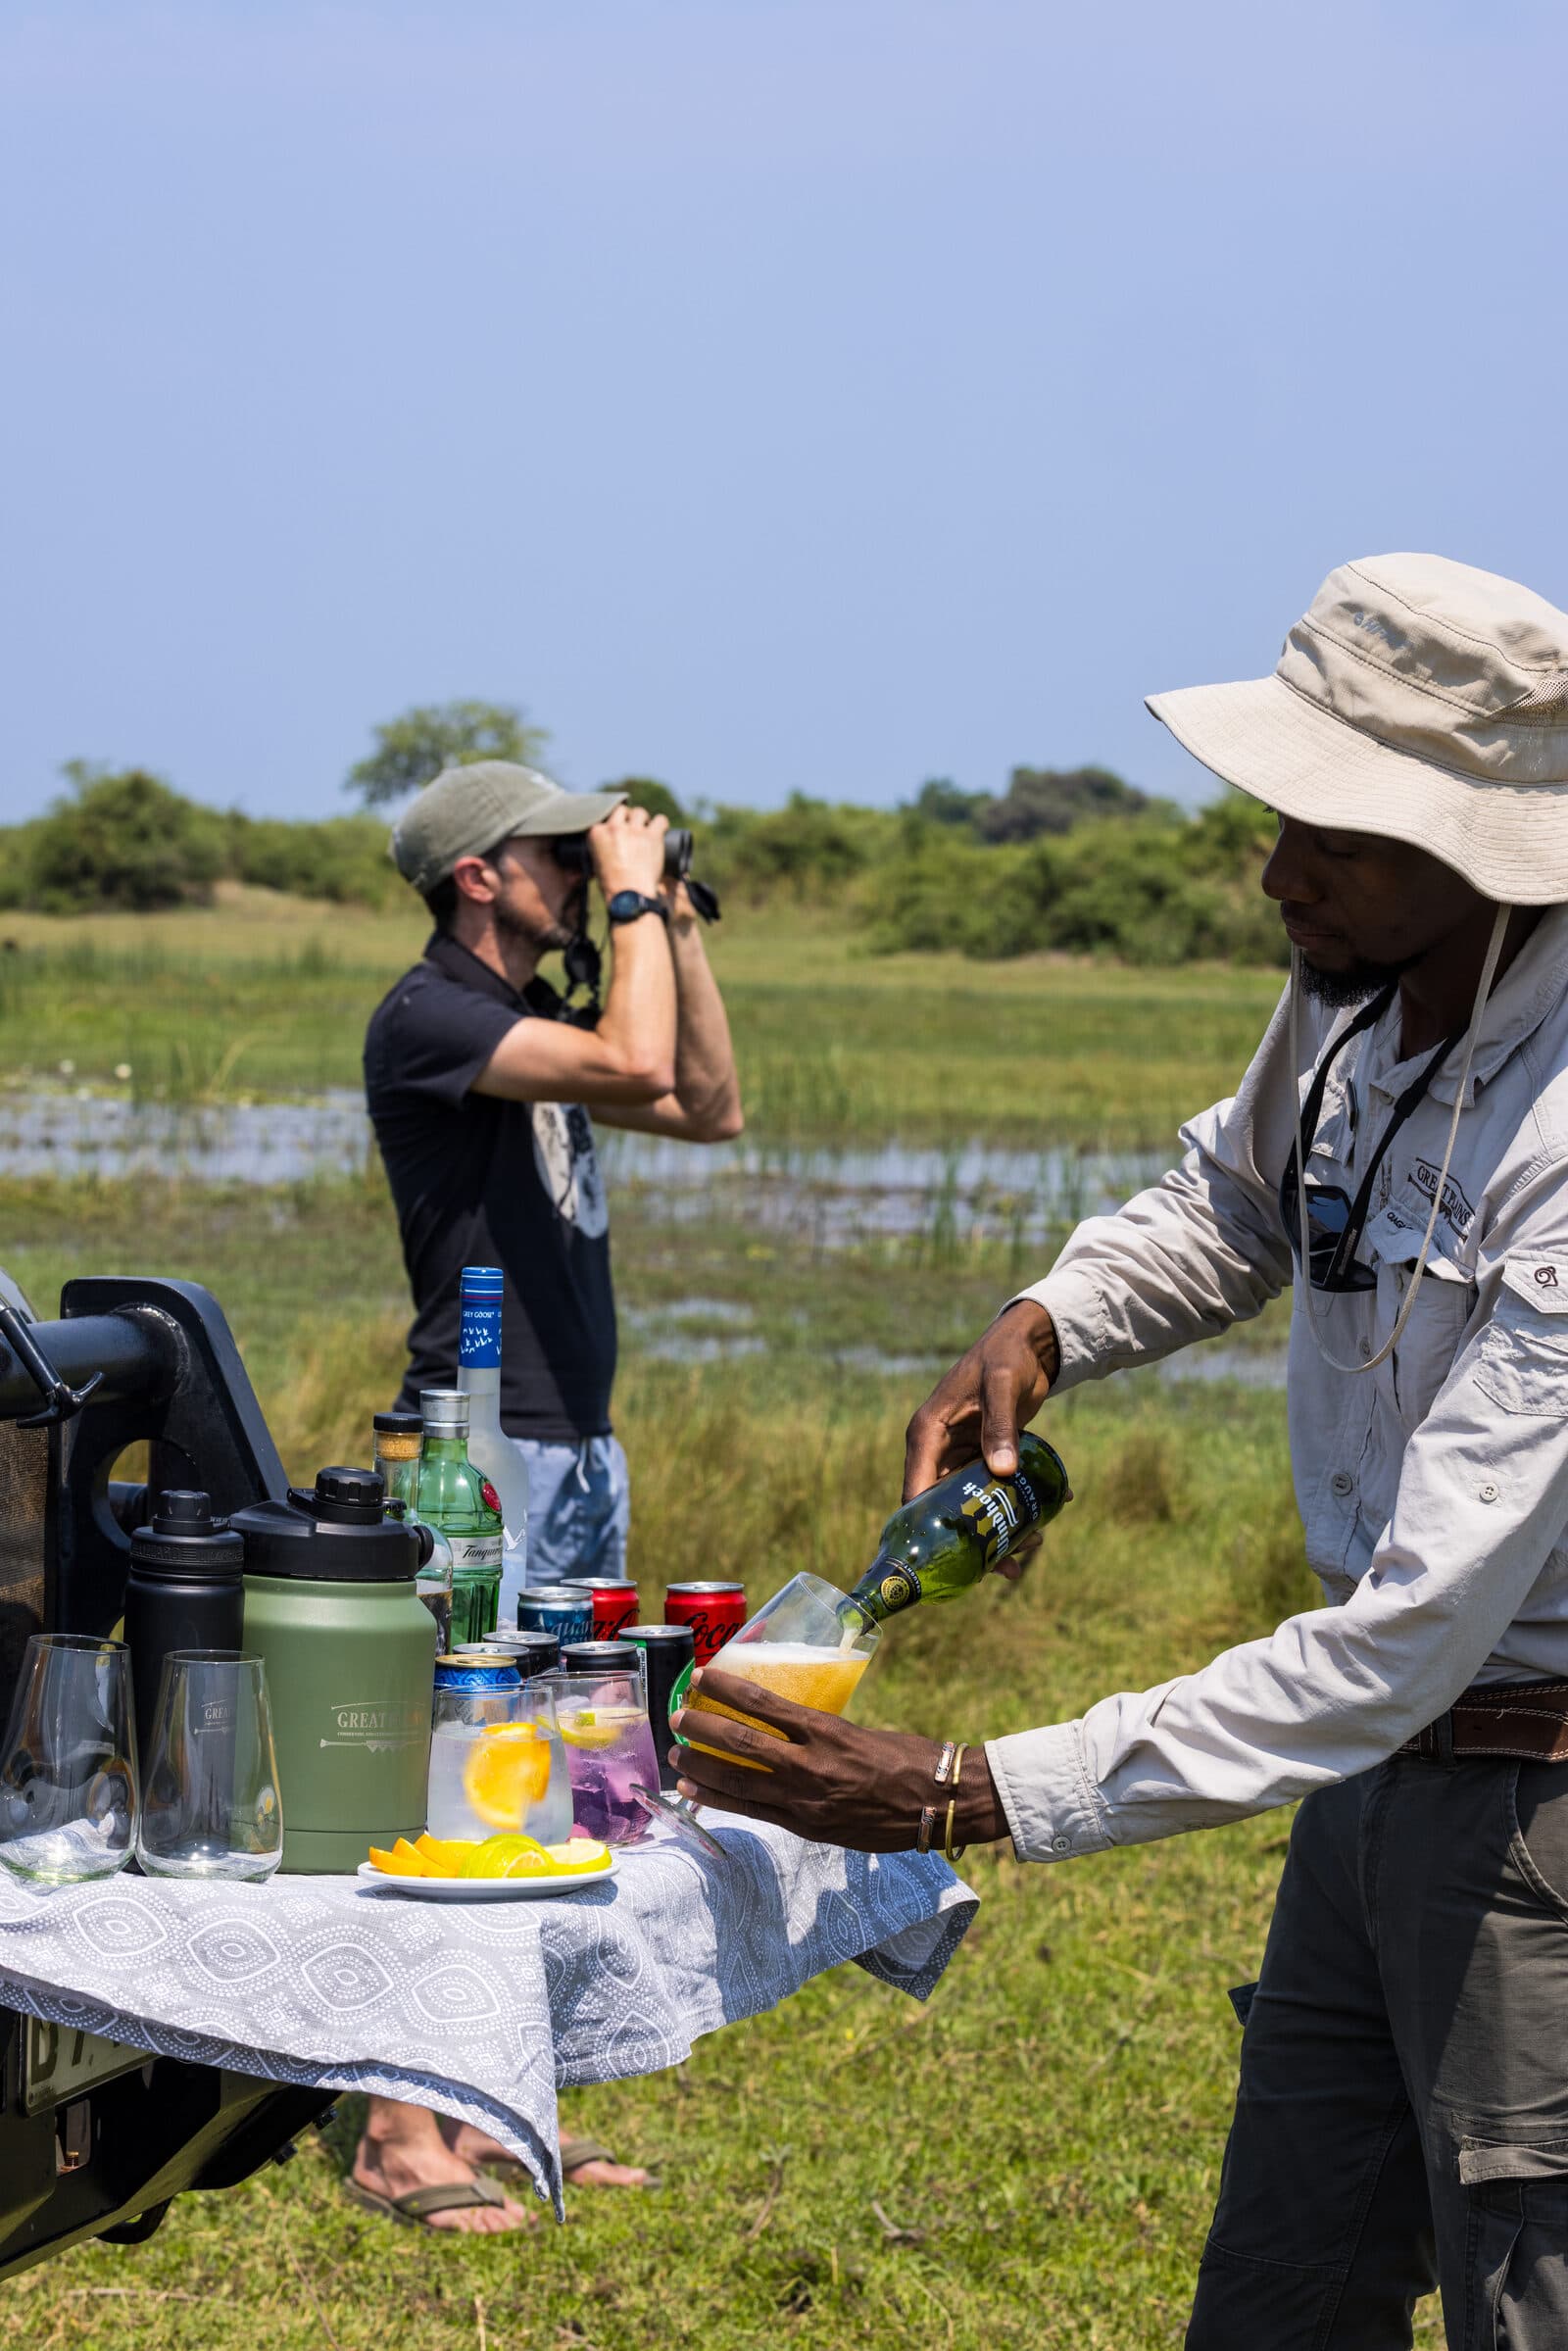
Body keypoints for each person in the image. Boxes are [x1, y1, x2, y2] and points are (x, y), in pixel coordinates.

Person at [670, 554, 1568, 2344]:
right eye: (1282, 815)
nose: (1279, 873)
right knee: (1277, 2300)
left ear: (1484, 852)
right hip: (1367, 1790)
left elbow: (1406, 1634)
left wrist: (966, 1789)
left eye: (1341, 835)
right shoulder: (1353, 996)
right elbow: (1235, 1196)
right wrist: (1049, 1321)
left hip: (1534, 1816)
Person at [352, 761, 743, 2232]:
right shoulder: (432, 1014)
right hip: (477, 1449)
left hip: (574, 1437)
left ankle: (504, 2109)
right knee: (462, 1778)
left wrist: (678, 923)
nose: (580, 877)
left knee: (559, 1779)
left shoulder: (528, 1022)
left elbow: (707, 1102)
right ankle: (401, 2132)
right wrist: (633, 895)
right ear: (476, 875)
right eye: (557, 856)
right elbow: (642, 1071)